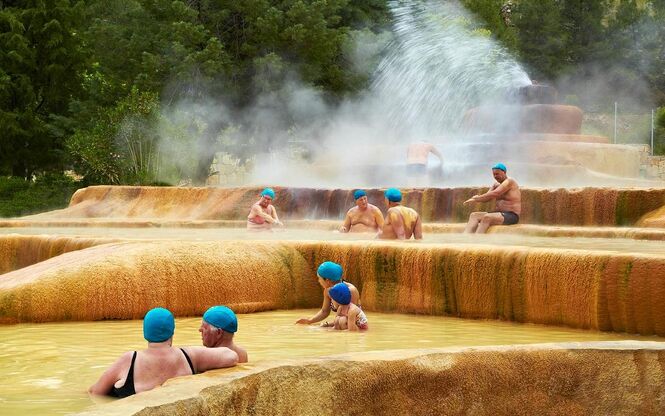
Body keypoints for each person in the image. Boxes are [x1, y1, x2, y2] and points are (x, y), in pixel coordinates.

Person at [89, 307, 238, 398]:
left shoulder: (129, 359)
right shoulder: (189, 355)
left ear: (145, 333)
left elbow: (96, 392)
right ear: (172, 331)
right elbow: (231, 356)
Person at [295, 261, 361, 327]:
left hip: (355, 324)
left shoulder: (351, 291)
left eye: (319, 278)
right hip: (342, 323)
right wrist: (309, 321)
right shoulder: (327, 290)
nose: (318, 281)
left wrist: (327, 325)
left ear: (327, 280)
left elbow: (349, 317)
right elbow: (324, 311)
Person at [463, 163, 521, 234]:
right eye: (494, 174)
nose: (495, 176)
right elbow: (487, 198)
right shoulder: (495, 184)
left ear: (504, 172)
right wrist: (475, 199)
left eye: (497, 174)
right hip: (498, 214)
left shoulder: (509, 181)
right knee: (474, 215)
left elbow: (496, 193)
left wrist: (477, 198)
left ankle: (477, 239)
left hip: (511, 215)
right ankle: (465, 237)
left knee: (487, 217)